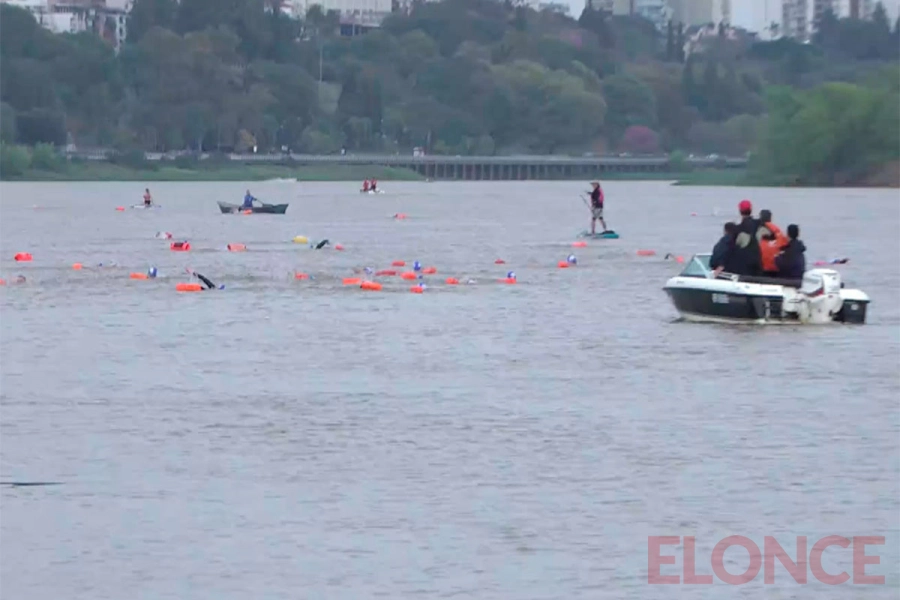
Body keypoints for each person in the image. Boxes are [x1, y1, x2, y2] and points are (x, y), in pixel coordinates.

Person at [731, 199, 761, 276]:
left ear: (740, 211)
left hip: (744, 265)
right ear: (751, 210)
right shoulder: (758, 224)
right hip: (758, 261)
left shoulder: (738, 229)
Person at [757, 209, 788, 277]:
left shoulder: (759, 229)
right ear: (770, 218)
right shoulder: (777, 230)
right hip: (776, 267)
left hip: (763, 268)